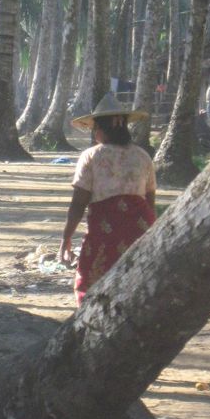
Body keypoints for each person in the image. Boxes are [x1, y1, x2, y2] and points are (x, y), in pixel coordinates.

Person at [59, 93, 157, 305]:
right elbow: (150, 200)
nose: (94, 133)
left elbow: (78, 203)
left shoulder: (91, 156)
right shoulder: (142, 156)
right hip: (140, 227)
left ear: (101, 130)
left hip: (106, 230)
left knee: (90, 283)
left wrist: (66, 238)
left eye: (95, 129)